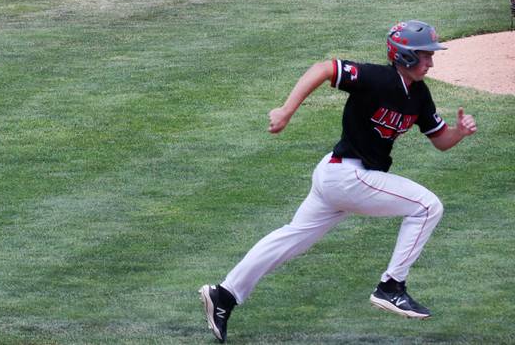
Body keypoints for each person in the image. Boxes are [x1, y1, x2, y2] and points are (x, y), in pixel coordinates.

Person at [199, 20, 477, 343]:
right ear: (404, 56)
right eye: (425, 55)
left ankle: (224, 295)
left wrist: (460, 132)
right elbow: (324, 68)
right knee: (428, 206)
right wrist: (287, 111)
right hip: (347, 176)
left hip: (340, 178)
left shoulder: (419, 95)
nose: (431, 61)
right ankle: (391, 286)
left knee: (290, 239)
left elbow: (440, 139)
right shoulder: (376, 78)